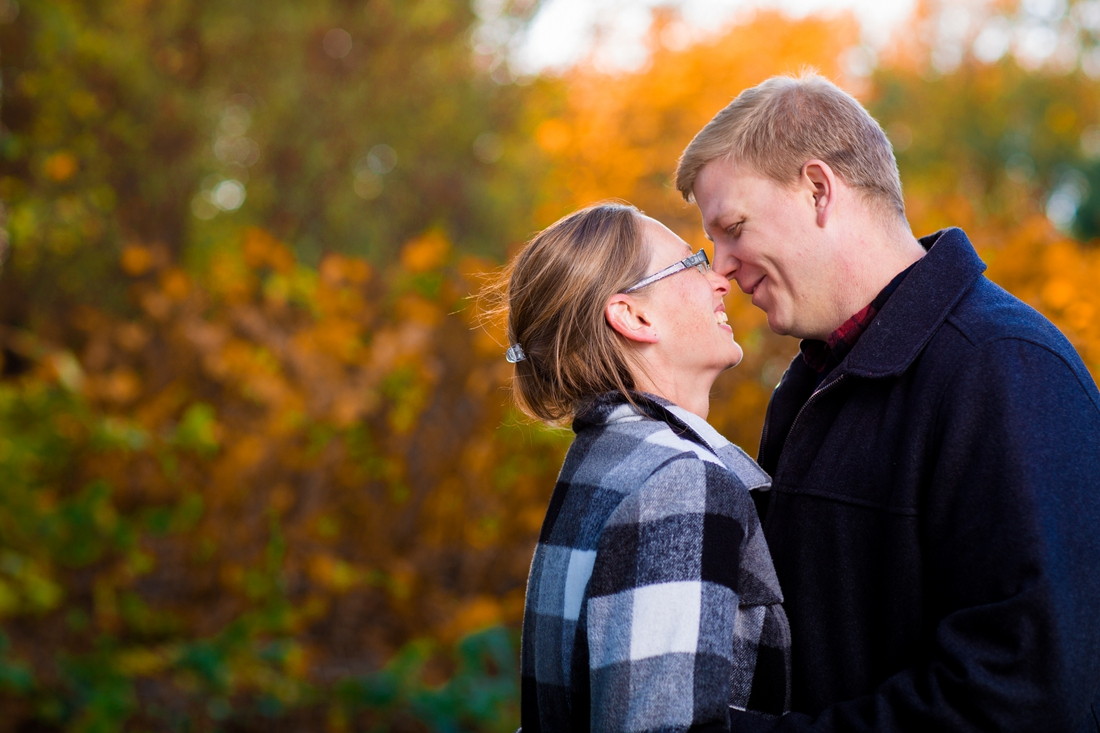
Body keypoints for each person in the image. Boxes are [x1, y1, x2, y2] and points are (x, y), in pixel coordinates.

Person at [674, 71, 1100, 731]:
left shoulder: (1004, 368)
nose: (721, 267)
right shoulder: (807, 385)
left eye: (733, 228)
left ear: (819, 189)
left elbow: (1024, 700)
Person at [494, 202, 791, 731]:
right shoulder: (678, 480)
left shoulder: (603, 460)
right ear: (633, 316)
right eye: (691, 263)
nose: (719, 278)